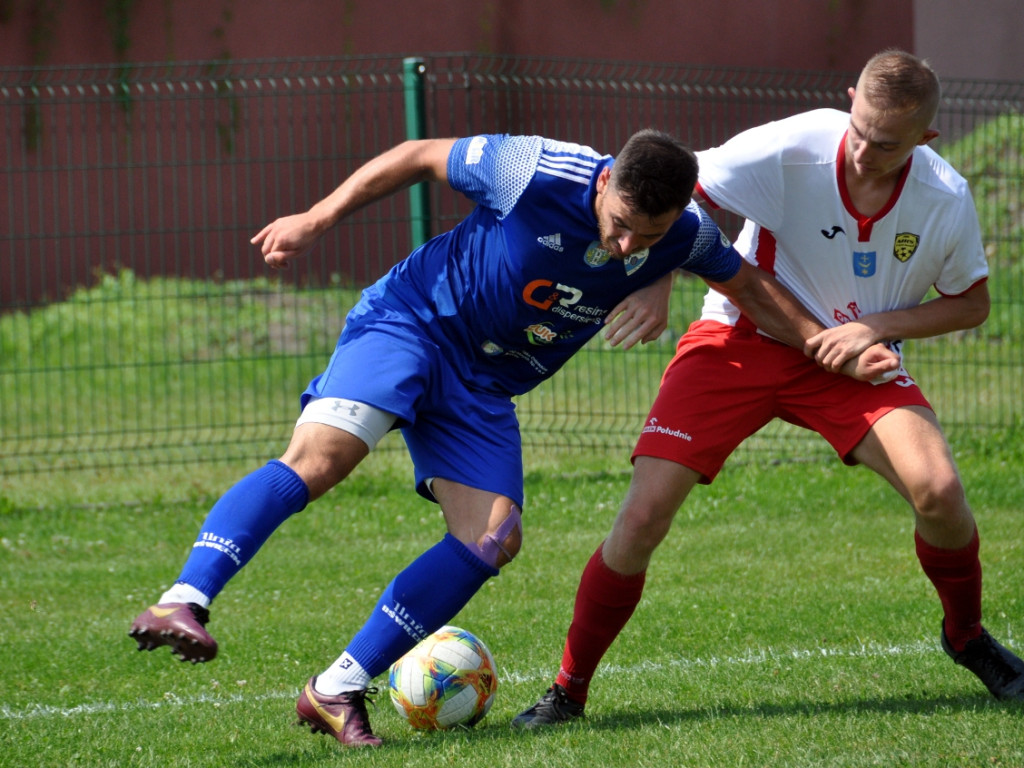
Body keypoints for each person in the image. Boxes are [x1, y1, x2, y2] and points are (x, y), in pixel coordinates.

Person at [127, 129, 891, 749]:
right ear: (603, 184)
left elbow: (751, 289)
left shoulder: (680, 235)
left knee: (492, 537)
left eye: (646, 235)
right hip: (413, 324)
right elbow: (418, 155)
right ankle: (184, 599)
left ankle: (335, 689)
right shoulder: (530, 168)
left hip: (485, 388)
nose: (627, 246)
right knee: (324, 459)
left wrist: (838, 345)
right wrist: (319, 217)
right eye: (620, 223)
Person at [513, 49, 1024, 729]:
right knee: (641, 518)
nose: (866, 150)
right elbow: (685, 188)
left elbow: (971, 303)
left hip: (850, 363)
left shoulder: (944, 196)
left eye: (888, 142)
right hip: (739, 341)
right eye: (861, 127)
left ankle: (965, 637)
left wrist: (874, 328)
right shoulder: (796, 147)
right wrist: (657, 274)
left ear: (926, 139)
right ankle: (568, 690)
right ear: (850, 100)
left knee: (941, 492)